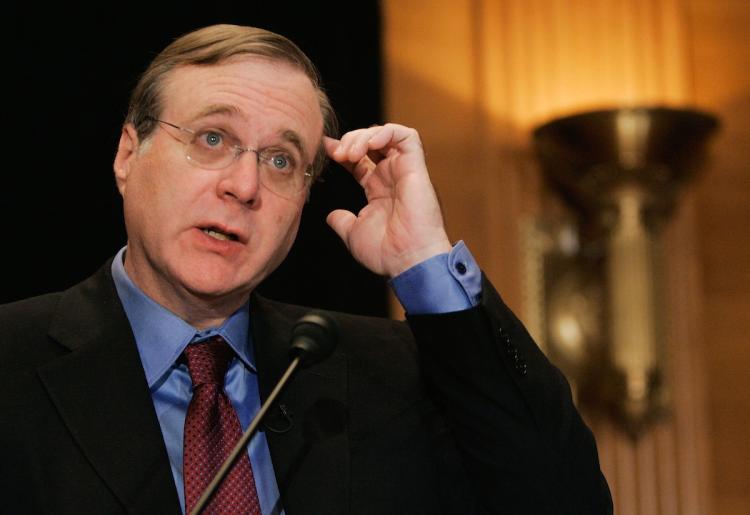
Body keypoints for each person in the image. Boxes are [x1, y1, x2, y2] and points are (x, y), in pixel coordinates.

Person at [0, 24, 612, 514]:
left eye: (281, 161)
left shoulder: (390, 374)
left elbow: (566, 499)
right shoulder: (13, 359)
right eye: (213, 139)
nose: (244, 186)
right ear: (129, 155)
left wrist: (423, 260)